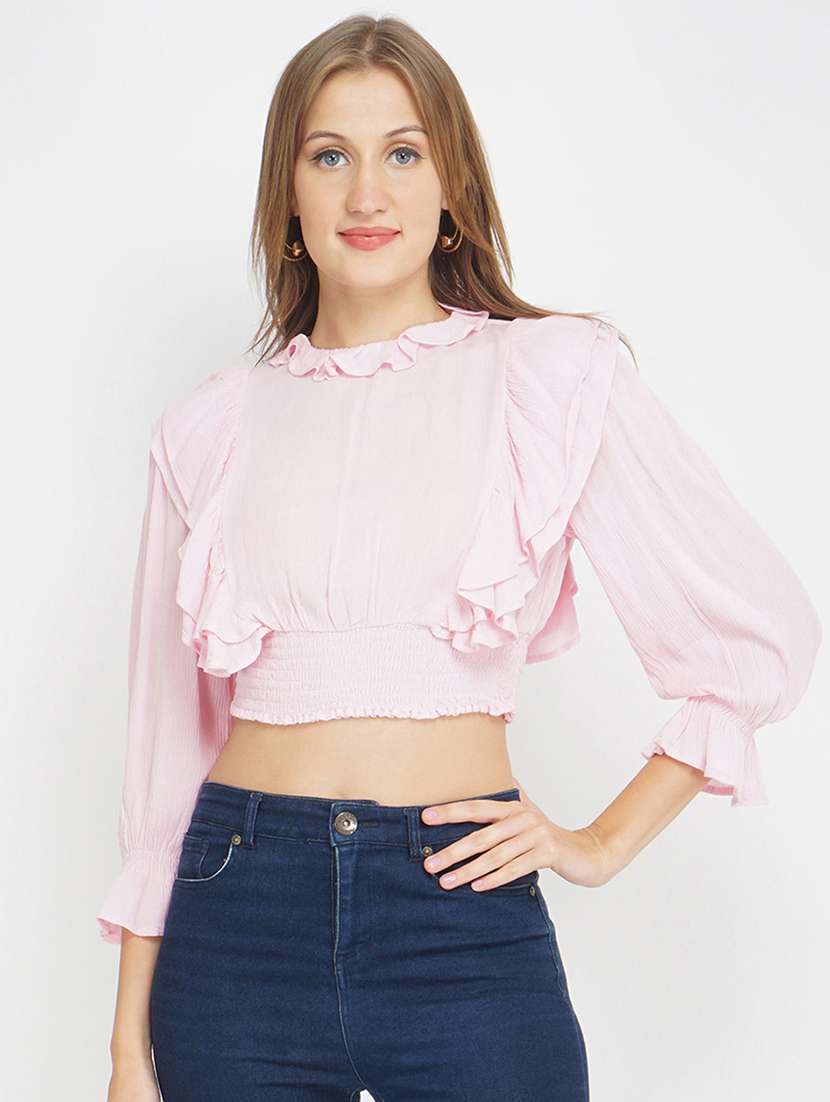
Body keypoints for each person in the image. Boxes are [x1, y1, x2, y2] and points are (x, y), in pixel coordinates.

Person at [99, 14, 822, 1102]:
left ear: (453, 185)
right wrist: (125, 1048)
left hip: (460, 918)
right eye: (328, 156)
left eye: (403, 152)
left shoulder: (550, 377)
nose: (366, 193)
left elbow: (754, 634)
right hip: (237, 925)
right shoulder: (209, 427)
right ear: (287, 195)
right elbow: (163, 758)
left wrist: (596, 844)